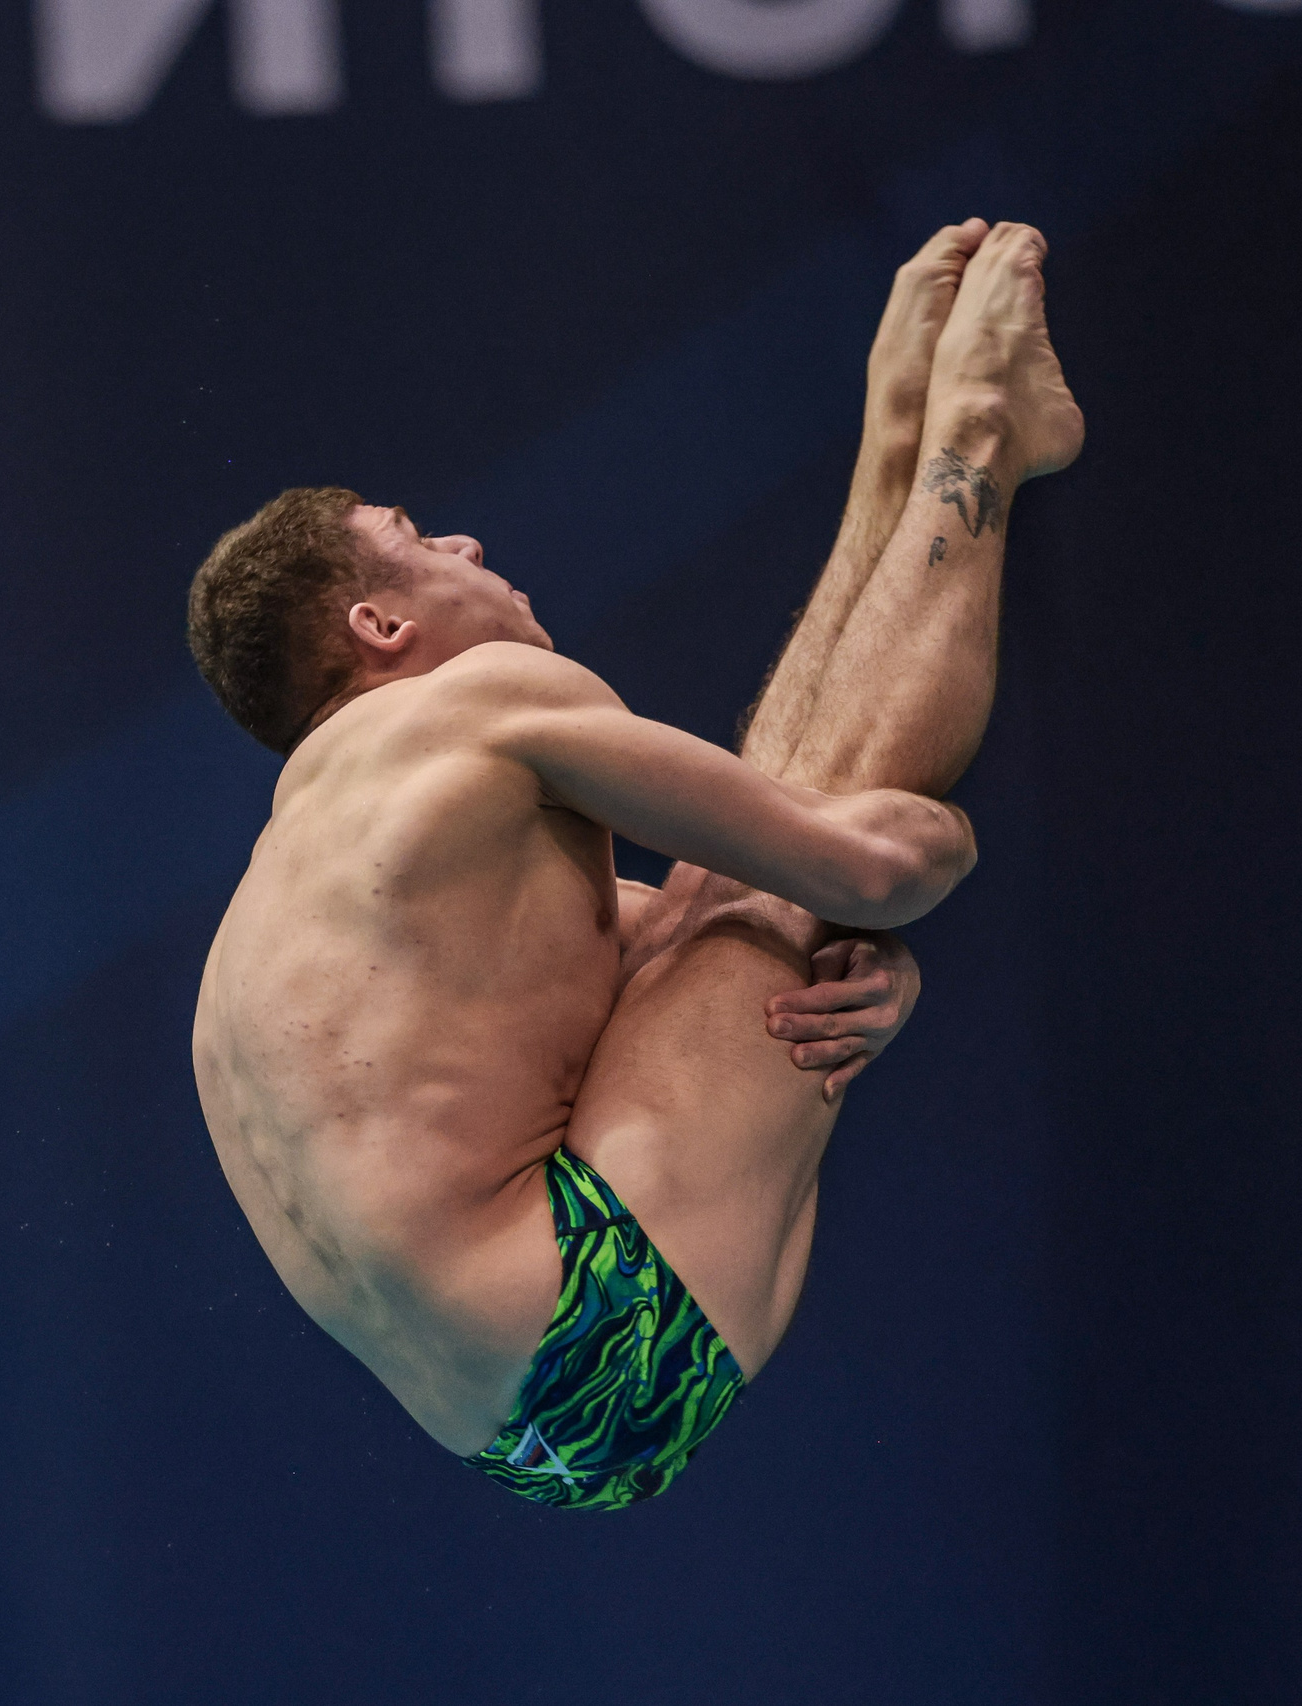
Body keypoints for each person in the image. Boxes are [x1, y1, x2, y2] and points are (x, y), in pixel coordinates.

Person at [185, 220, 1081, 1508]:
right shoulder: (475, 703)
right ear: (379, 625)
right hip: (592, 1296)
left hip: (535, 1441)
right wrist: (939, 844)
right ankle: (978, 436)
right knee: (790, 880)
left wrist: (879, 985)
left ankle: (894, 455)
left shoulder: (292, 905)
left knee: (742, 906)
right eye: (423, 541)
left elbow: (714, 928)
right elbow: (870, 868)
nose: (471, 547)